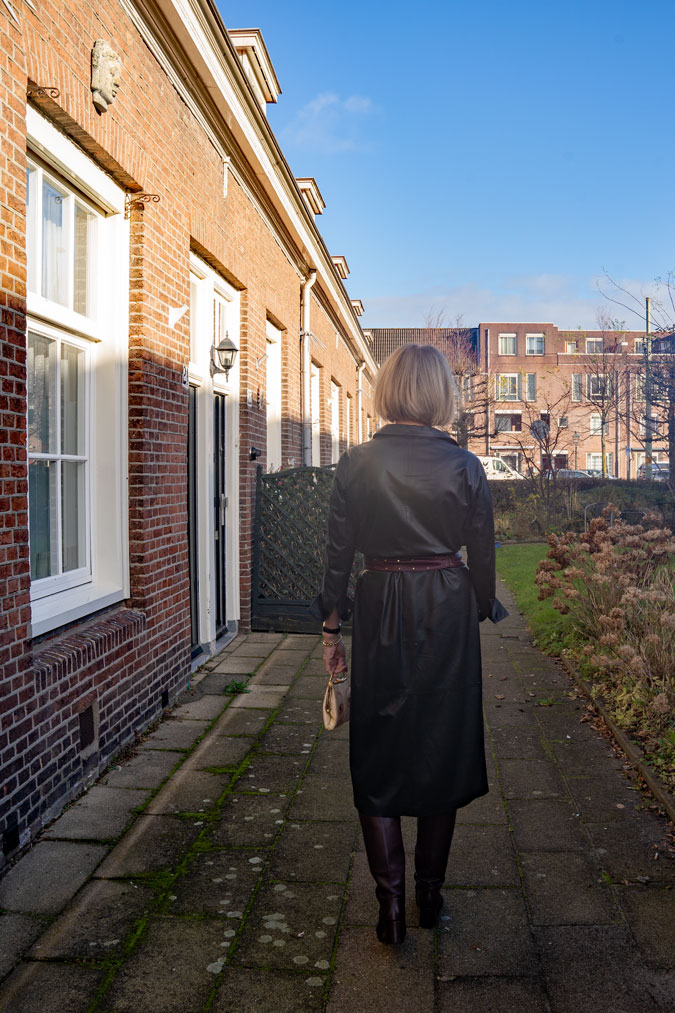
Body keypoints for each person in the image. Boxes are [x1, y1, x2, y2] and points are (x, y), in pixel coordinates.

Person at [311, 343, 507, 945]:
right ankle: (429, 897)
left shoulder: (356, 463)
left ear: (390, 390)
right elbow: (484, 554)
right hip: (446, 606)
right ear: (441, 394)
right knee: (442, 743)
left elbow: (338, 556)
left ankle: (390, 909)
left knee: (377, 742)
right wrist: (477, 606)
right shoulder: (466, 467)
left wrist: (330, 628)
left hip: (381, 602)